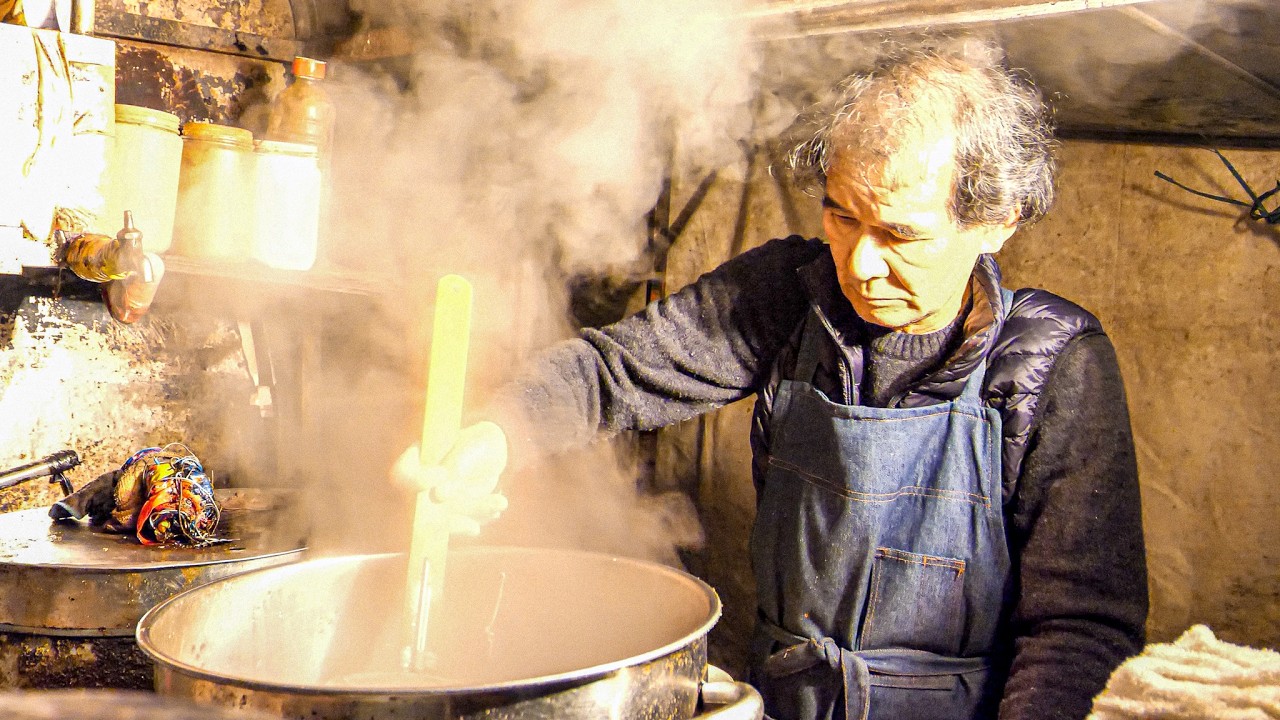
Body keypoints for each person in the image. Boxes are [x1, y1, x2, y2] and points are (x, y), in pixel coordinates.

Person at [406, 39, 1148, 720]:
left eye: (899, 234)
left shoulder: (1054, 364)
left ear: (997, 222)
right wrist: (499, 434)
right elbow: (610, 372)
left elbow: (1079, 628)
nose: (859, 264)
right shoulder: (792, 295)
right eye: (842, 217)